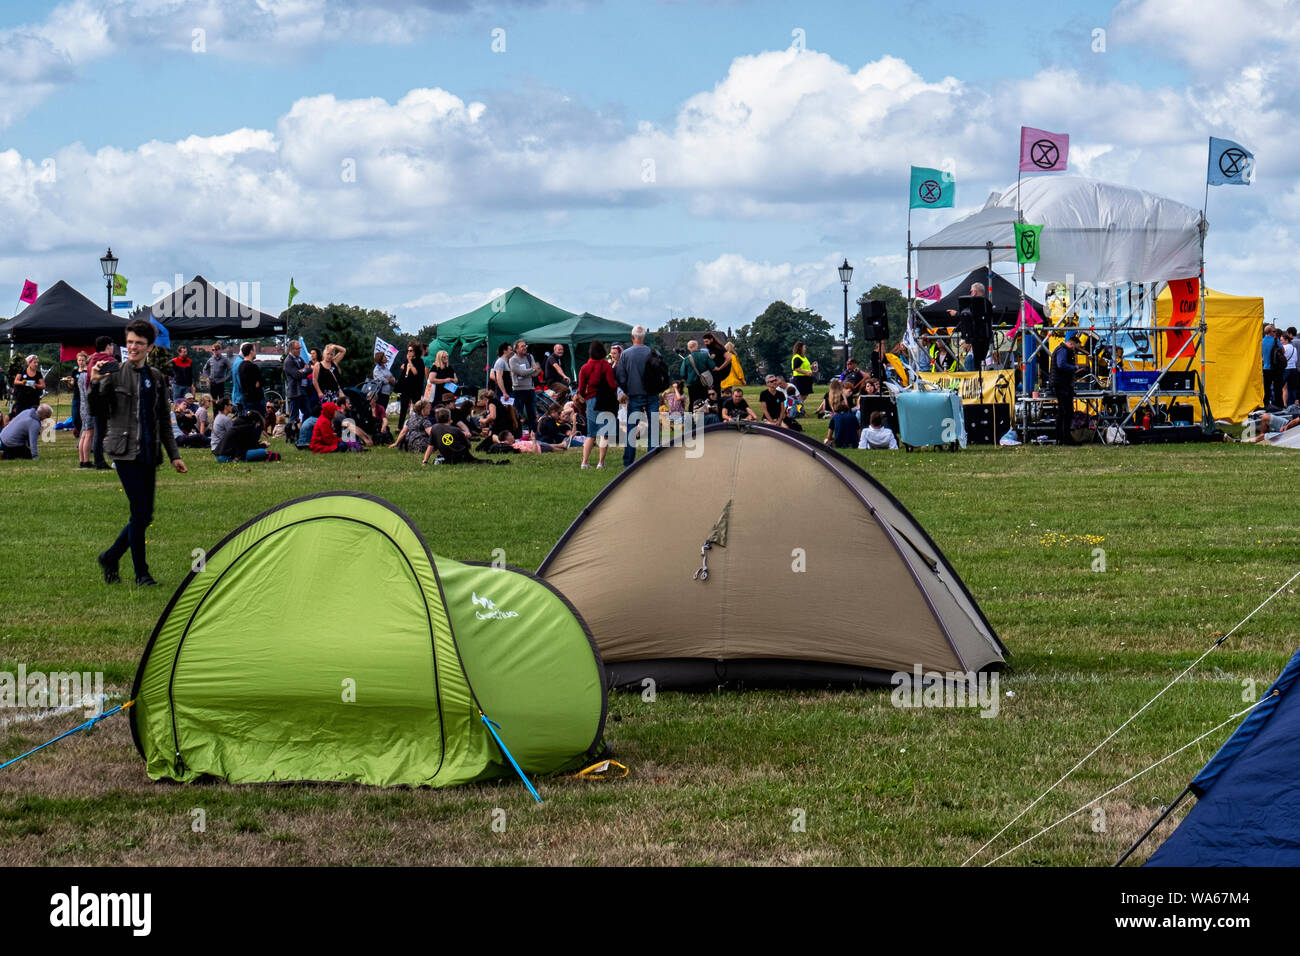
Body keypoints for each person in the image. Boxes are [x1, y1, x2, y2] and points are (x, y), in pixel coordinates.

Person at [90, 318, 188, 587]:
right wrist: (96, 382)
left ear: (149, 347)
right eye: (130, 342)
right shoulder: (114, 372)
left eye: (139, 343)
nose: (132, 347)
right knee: (140, 511)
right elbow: (97, 410)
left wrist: (175, 455)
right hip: (123, 452)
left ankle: (110, 556)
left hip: (148, 451)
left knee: (145, 515)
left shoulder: (156, 378)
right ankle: (142, 574)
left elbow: (163, 422)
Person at [615, 325, 658, 467]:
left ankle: (628, 460)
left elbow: (620, 376)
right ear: (644, 337)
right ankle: (652, 457)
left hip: (634, 394)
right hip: (651, 394)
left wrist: (628, 390)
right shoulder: (653, 353)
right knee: (653, 427)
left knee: (631, 428)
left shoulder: (626, 355)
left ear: (632, 337)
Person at [577, 340, 618, 469]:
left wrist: (582, 397)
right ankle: (600, 462)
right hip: (605, 401)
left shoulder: (584, 368)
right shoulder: (606, 366)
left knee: (591, 433)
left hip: (590, 401)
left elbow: (581, 388)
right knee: (604, 433)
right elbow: (612, 385)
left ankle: (584, 462)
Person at [1052, 334, 1081, 445]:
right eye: (1075, 348)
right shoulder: (1063, 350)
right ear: (1071, 344)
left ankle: (1061, 438)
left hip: (1062, 383)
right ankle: (1065, 438)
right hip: (1061, 384)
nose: (1075, 350)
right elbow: (1061, 364)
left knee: (1063, 411)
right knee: (1066, 411)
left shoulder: (1062, 349)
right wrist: (1074, 367)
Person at [508, 339, 540, 431]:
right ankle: (518, 433)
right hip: (518, 390)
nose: (525, 347)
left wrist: (531, 371)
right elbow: (521, 372)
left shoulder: (530, 357)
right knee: (518, 414)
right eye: (522, 346)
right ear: (516, 349)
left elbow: (536, 373)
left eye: (525, 345)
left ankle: (534, 434)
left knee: (532, 414)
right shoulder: (512, 360)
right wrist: (532, 369)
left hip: (530, 389)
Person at [396, 340, 426, 428]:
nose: (408, 352)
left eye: (410, 350)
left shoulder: (419, 361)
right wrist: (406, 365)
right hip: (406, 387)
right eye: (408, 350)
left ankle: (418, 425)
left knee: (417, 407)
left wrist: (410, 362)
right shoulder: (407, 361)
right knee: (403, 408)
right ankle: (400, 427)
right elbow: (404, 368)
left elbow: (415, 372)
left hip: (415, 388)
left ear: (415, 351)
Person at [679, 340, 713, 408]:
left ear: (688, 348)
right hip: (703, 383)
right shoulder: (705, 356)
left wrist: (688, 379)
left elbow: (682, 374)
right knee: (703, 402)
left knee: (692, 402)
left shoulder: (686, 359)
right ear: (697, 346)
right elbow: (712, 367)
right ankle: (702, 418)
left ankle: (690, 418)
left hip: (691, 384)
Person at [283, 339, 310, 425]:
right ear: (291, 350)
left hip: (302, 390)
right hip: (295, 392)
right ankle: (291, 434)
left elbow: (308, 368)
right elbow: (296, 375)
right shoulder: (288, 361)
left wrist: (303, 370)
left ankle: (303, 430)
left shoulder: (299, 358)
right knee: (294, 415)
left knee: (308, 411)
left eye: (300, 348)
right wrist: (304, 370)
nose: (299, 350)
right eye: (297, 348)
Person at [74, 352, 93, 467]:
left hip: (82, 406)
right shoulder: (86, 376)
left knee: (84, 433)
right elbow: (88, 394)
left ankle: (82, 460)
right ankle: (86, 460)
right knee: (88, 434)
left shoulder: (81, 376)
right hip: (88, 407)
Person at [236, 342, 263, 414]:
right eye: (254, 350)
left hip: (245, 398)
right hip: (255, 399)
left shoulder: (240, 366)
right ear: (251, 351)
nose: (255, 352)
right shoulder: (253, 367)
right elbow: (259, 382)